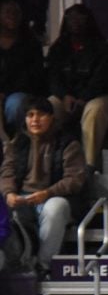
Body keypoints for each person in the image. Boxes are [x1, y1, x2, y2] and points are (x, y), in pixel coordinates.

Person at [0, 97, 87, 276]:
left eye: (41, 115)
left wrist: (48, 193)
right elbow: (6, 172)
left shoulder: (68, 143)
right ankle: (20, 264)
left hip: (54, 197)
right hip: (23, 197)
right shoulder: (16, 144)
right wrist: (9, 193)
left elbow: (74, 179)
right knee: (7, 210)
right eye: (30, 115)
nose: (35, 120)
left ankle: (43, 264)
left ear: (52, 118)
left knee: (55, 208)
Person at [45, 4, 108, 170]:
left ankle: (87, 165)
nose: (75, 22)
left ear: (88, 20)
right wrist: (64, 95)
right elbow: (53, 77)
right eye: (71, 18)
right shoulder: (58, 48)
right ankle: (46, 162)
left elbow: (102, 79)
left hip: (96, 96)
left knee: (94, 110)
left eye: (80, 17)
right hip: (65, 97)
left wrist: (83, 97)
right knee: (47, 106)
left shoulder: (101, 47)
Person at [0, 0, 45, 138]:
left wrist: (5, 93)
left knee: (17, 105)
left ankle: (17, 144)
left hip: (18, 93)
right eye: (7, 12)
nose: (12, 16)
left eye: (16, 13)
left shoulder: (31, 44)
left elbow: (33, 77)